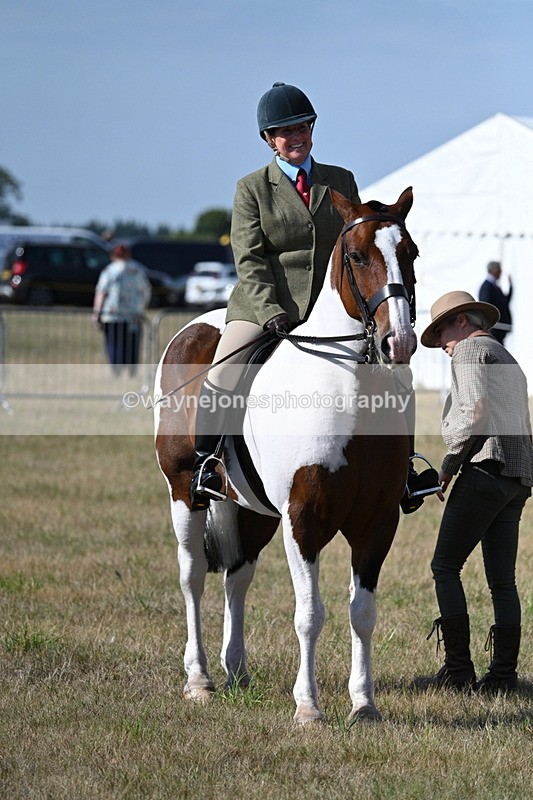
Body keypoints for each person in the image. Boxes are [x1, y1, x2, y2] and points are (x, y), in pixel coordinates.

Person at [189, 81, 438, 512]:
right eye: (284, 131)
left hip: (333, 310)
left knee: (398, 373)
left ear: (312, 128)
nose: (295, 136)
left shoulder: (340, 180)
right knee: (223, 372)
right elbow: (248, 259)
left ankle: (407, 469)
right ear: (269, 140)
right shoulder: (251, 188)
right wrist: (269, 312)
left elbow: (359, 247)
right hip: (266, 306)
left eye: (302, 126)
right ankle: (206, 464)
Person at [417, 291, 532, 693]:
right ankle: (502, 677)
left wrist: (449, 464)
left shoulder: (469, 352)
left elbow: (475, 412)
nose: (442, 345)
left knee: (444, 568)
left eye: (442, 332)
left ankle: (458, 672)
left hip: (484, 471)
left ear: (462, 322)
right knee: (502, 583)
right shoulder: (506, 356)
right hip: (516, 481)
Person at [92, 243, 151, 376]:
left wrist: (97, 314)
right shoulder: (137, 270)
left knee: (114, 345)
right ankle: (131, 373)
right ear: (128, 255)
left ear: (114, 255)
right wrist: (141, 309)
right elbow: (146, 291)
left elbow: (101, 292)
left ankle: (116, 373)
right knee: (131, 347)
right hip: (134, 316)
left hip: (112, 315)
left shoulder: (109, 270)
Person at [479, 261, 512, 343]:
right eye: (499, 270)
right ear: (495, 271)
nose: (500, 273)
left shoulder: (494, 286)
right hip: (495, 329)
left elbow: (504, 303)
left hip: (500, 329)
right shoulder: (487, 287)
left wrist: (511, 287)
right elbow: (486, 306)